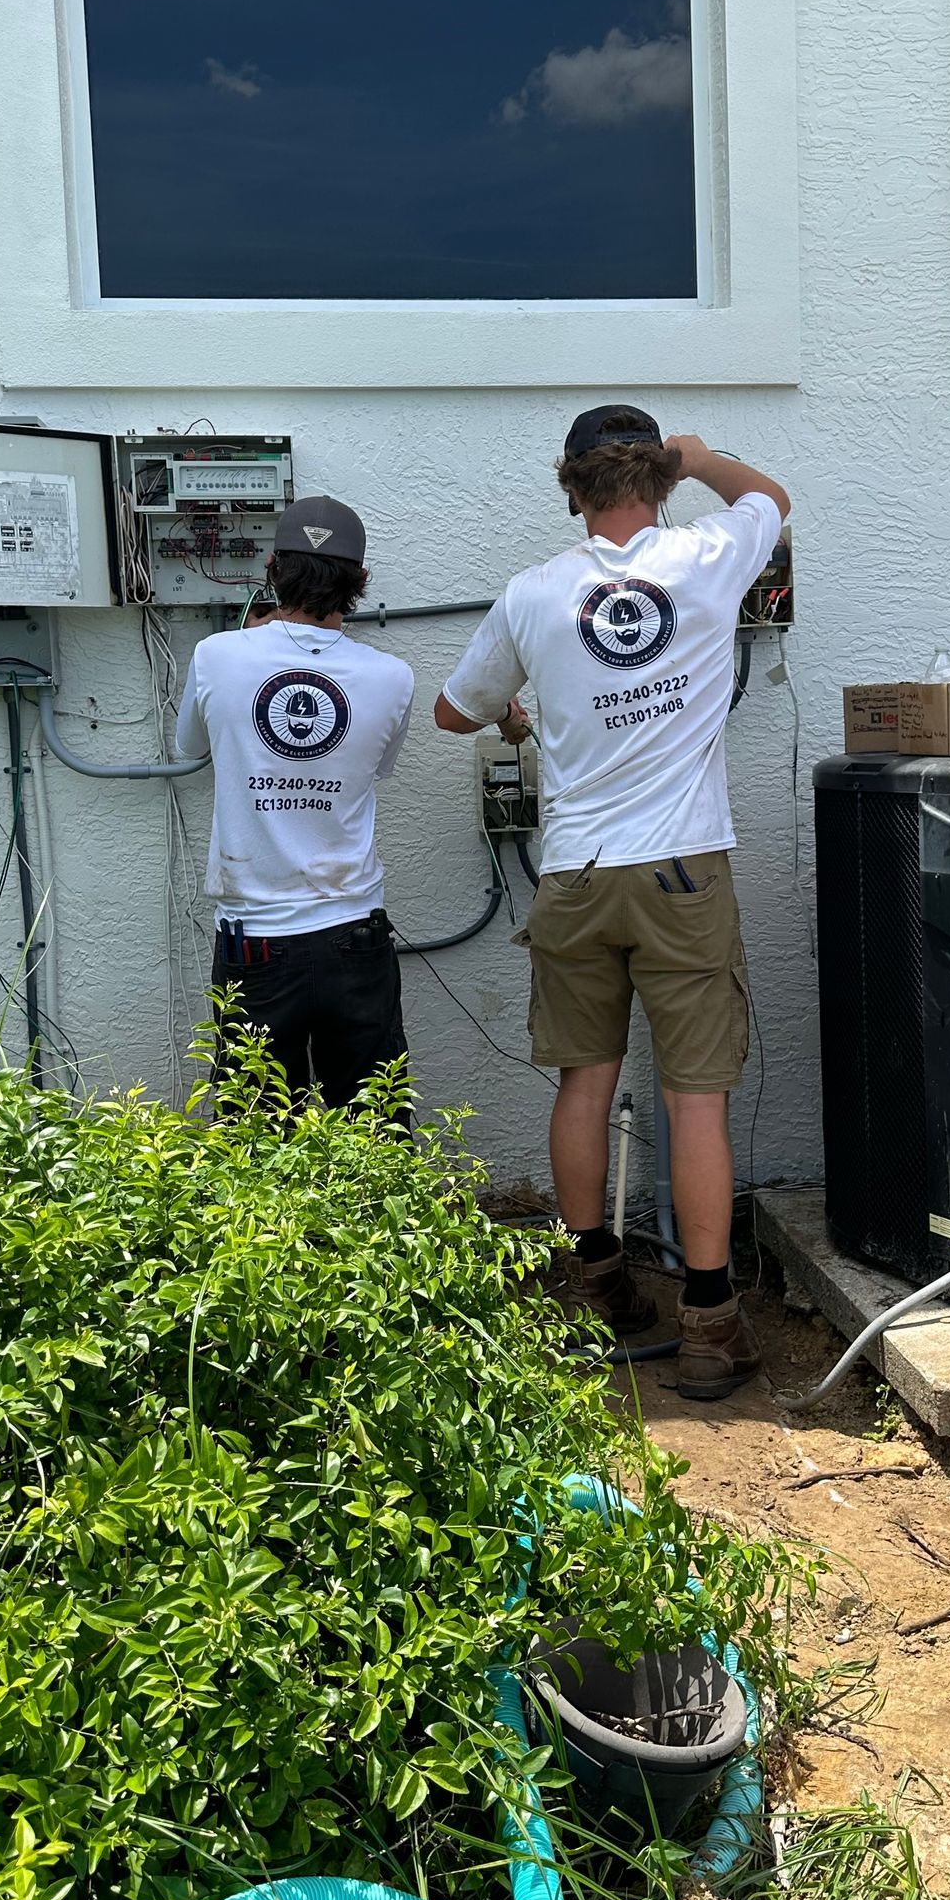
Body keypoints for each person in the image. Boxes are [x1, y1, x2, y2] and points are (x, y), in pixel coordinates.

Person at [434, 407, 790, 1399]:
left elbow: (453, 711)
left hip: (578, 870)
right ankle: (710, 1325)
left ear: (572, 488)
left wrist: (514, 710)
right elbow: (772, 499)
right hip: (681, 868)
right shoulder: (709, 555)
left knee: (584, 1083)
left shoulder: (533, 594)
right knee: (695, 1098)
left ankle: (597, 1285)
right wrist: (707, 455)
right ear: (658, 480)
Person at [176, 495, 416, 1106]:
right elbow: (377, 769)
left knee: (253, 1137)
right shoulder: (391, 677)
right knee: (373, 1129)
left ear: (273, 569)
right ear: (357, 583)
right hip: (353, 934)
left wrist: (249, 637)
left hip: (254, 942)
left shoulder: (218, 657)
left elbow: (190, 746)